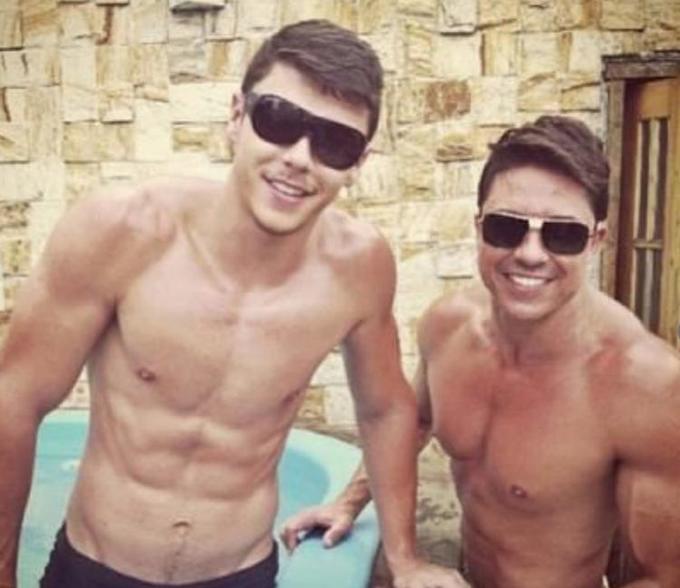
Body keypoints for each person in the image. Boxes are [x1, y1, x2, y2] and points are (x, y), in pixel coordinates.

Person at [0, 19, 466, 588]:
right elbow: (15, 399)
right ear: (236, 117)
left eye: (335, 144)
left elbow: (385, 409)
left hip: (240, 571)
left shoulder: (359, 267)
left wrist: (405, 558)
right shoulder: (121, 230)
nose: (300, 158)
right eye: (279, 121)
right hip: (95, 568)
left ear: (357, 164)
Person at [281, 115, 680, 588]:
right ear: (478, 227)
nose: (530, 253)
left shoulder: (645, 384)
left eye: (562, 234)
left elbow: (663, 577)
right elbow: (413, 423)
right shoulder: (447, 326)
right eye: (506, 227)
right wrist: (348, 503)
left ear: (596, 239)